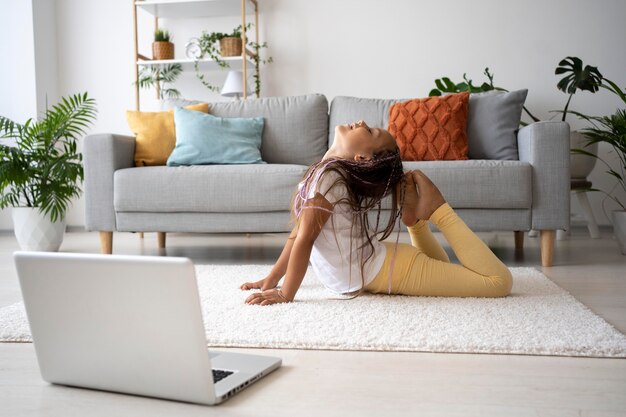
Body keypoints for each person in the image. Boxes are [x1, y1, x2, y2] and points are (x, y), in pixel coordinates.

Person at [240, 120, 512, 305]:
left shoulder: (328, 179)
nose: (360, 123)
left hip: (394, 270)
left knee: (498, 283)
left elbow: (304, 240)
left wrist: (286, 293)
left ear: (363, 158)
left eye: (368, 131)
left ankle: (438, 209)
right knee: (448, 272)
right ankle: (415, 223)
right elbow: (299, 233)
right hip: (386, 264)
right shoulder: (325, 175)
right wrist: (273, 278)